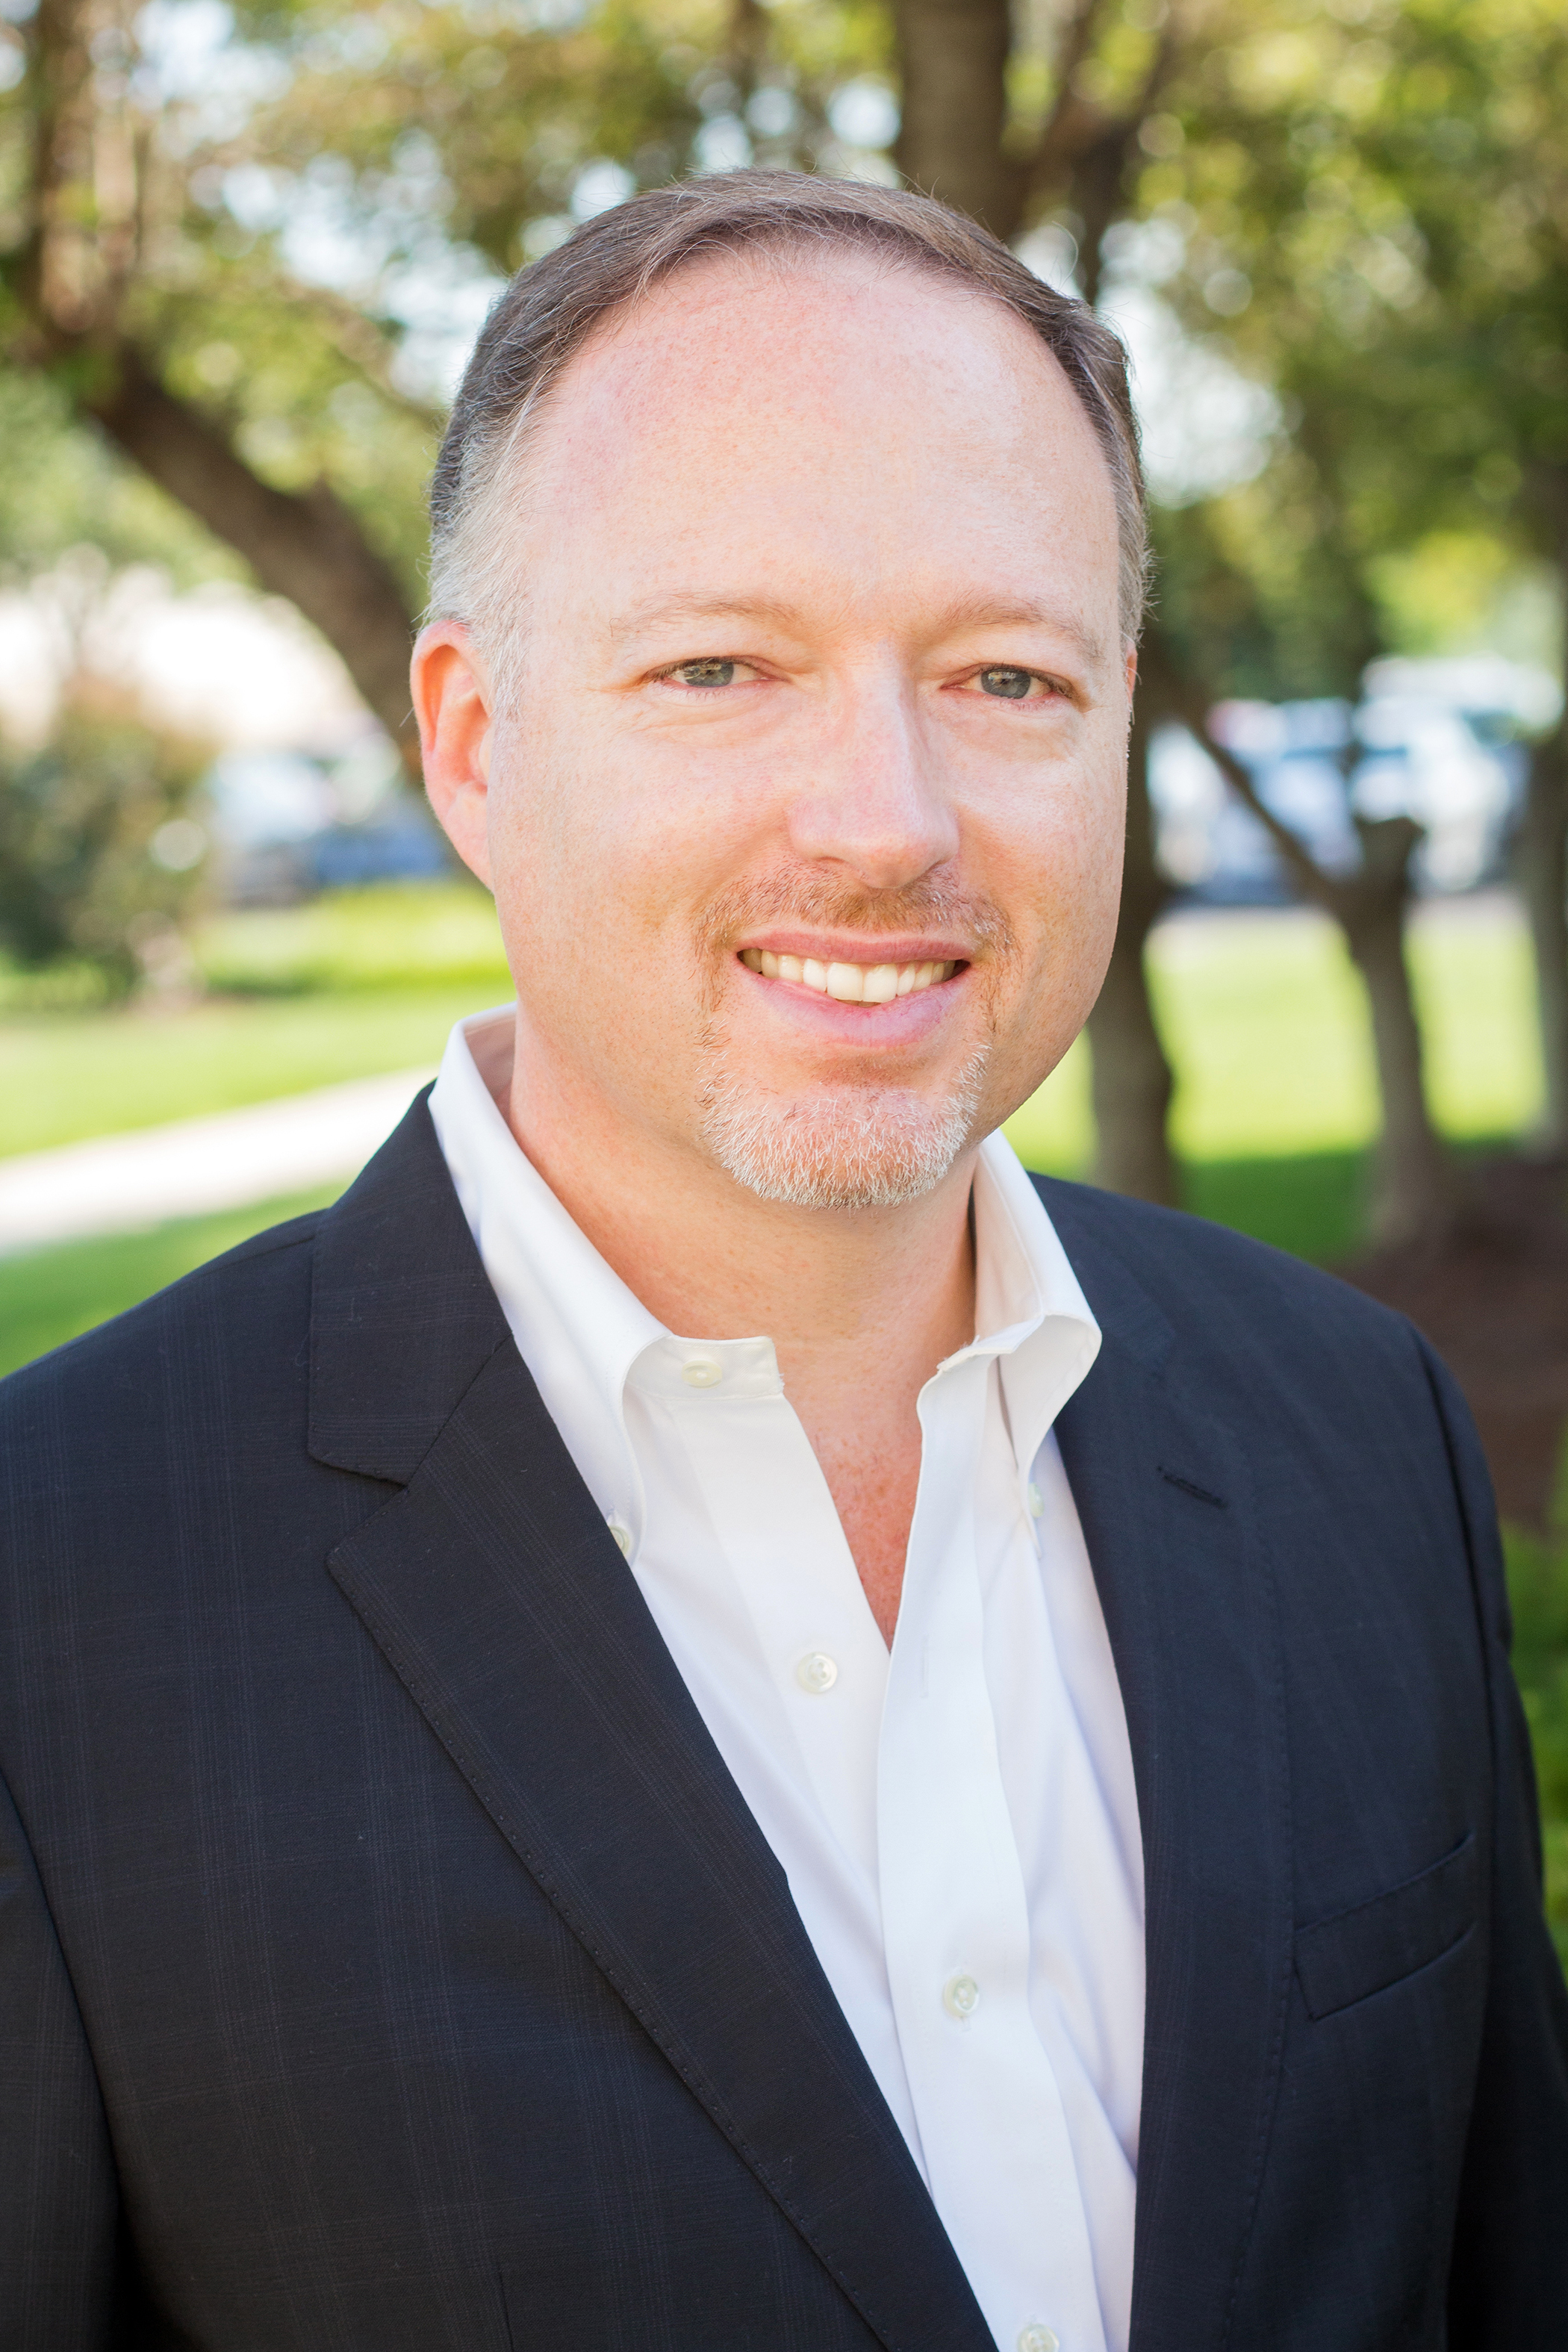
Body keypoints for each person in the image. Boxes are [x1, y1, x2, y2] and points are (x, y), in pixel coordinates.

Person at [1, 171, 1564, 2352]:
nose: (884, 822)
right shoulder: (46, 1588)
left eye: (1006, 675)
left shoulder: (1354, 1425)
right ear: (473, 742)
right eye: (720, 666)